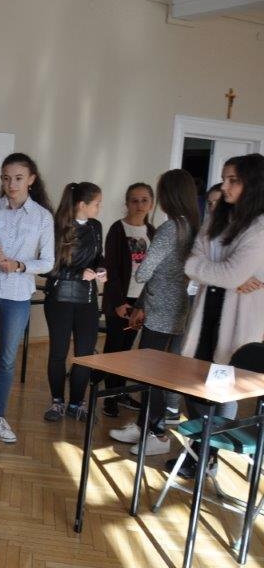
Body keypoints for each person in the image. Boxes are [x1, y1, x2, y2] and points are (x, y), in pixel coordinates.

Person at [168, 153, 264, 478]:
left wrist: (218, 273)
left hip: (237, 320)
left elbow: (227, 272)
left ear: (252, 183)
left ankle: (206, 456)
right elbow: (191, 262)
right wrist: (227, 275)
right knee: (193, 384)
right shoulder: (217, 217)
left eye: (232, 180)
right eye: (224, 179)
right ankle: (201, 451)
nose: (224, 186)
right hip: (206, 313)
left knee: (222, 388)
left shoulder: (260, 226)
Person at [108, 170, 200, 456]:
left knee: (150, 374)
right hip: (175, 309)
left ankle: (157, 435)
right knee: (156, 371)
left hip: (162, 311)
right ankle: (144, 425)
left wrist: (151, 273)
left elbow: (143, 272)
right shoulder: (192, 226)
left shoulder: (171, 228)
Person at [0, 153, 55, 448]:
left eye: (18, 178)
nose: (11, 184)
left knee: (7, 359)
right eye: (6, 178)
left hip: (18, 294)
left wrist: (19, 265)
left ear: (31, 180)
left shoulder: (42, 217)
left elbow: (48, 262)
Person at [42, 182, 106, 422]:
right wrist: (78, 274)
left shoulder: (96, 226)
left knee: (85, 354)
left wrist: (101, 268)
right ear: (82, 205)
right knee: (58, 353)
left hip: (87, 299)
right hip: (60, 299)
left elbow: (99, 256)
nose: (99, 208)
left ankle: (76, 403)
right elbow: (46, 267)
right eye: (97, 203)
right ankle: (57, 402)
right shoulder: (56, 227)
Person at [99, 183, 156, 417]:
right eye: (134, 200)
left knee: (127, 350)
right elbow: (110, 269)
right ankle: (109, 397)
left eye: (144, 200)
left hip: (141, 300)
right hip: (121, 300)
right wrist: (118, 302)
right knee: (114, 348)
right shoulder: (117, 229)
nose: (139, 205)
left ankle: (121, 393)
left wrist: (144, 303)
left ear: (151, 203)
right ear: (127, 203)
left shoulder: (152, 231)